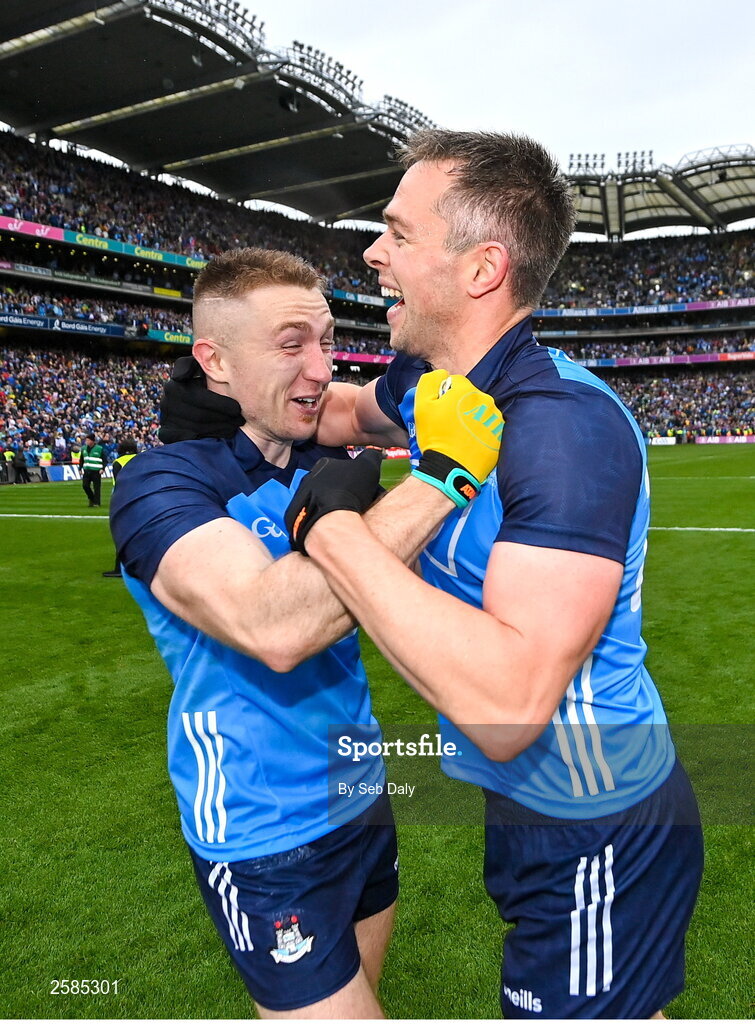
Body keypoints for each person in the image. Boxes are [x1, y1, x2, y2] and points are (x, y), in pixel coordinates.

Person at [275, 131, 703, 1020]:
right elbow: (347, 410)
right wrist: (229, 399)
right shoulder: (437, 385)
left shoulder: (563, 430)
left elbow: (505, 706)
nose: (372, 251)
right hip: (533, 805)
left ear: (481, 268)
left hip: (597, 821)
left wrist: (334, 534)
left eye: (397, 232)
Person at [110, 247, 502, 1019]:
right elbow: (274, 627)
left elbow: (408, 398)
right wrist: (442, 477)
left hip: (358, 795)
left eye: (326, 342)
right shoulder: (161, 483)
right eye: (291, 345)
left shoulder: (324, 451)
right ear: (214, 362)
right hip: (261, 831)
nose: (321, 368)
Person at [102, 438, 139, 578]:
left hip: (124, 499)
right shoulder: (141, 458)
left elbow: (120, 483)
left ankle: (119, 568)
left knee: (122, 534)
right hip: (143, 497)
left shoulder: (118, 462)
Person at [80, 433, 107, 506]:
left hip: (96, 470)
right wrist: (80, 468)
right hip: (87, 470)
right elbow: (81, 459)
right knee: (85, 486)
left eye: (88, 440)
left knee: (97, 488)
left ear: (92, 441)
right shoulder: (83, 449)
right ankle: (92, 498)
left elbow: (105, 460)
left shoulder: (99, 449)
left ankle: (97, 502)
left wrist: (103, 468)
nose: (86, 441)